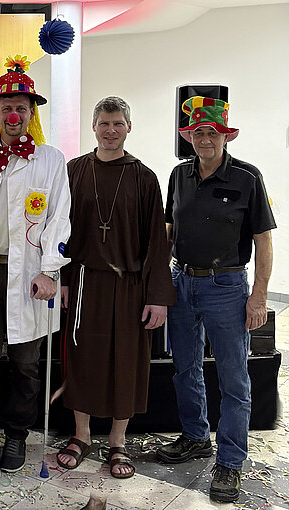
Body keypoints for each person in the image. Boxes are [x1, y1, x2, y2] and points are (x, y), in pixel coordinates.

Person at [0, 55, 70, 485]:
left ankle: (17, 435)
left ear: (32, 113)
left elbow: (60, 217)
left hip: (31, 277)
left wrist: (50, 270)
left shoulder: (51, 159)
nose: (14, 115)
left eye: (22, 107)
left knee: (25, 361)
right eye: (7, 107)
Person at [157, 96, 276, 503]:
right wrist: (160, 280)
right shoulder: (179, 174)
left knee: (233, 378)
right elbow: (169, 230)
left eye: (212, 132)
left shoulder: (247, 177)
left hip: (226, 287)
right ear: (189, 136)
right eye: (198, 133)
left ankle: (230, 460)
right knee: (185, 368)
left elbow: (263, 242)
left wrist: (258, 296)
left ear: (225, 136)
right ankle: (195, 437)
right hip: (182, 282)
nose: (205, 139)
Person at [56, 97, 174, 479]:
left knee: (126, 362)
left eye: (118, 123)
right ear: (94, 127)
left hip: (129, 286)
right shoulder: (74, 171)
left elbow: (157, 242)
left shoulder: (144, 177)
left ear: (128, 127)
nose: (111, 130)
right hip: (84, 281)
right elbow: (60, 232)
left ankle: (118, 441)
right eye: (104, 123)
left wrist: (157, 297)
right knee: (83, 359)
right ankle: (81, 435)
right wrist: (62, 280)